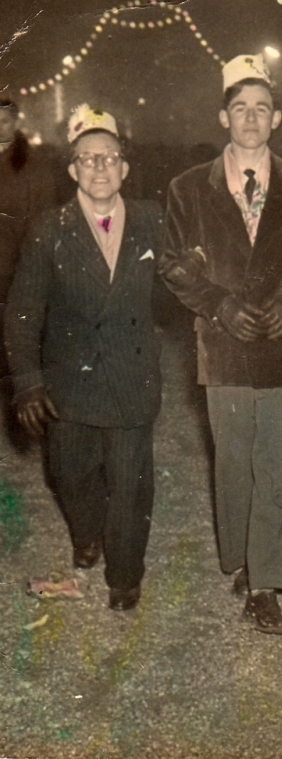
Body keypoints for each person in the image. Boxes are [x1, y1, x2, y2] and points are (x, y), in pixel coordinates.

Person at [160, 54, 282, 635]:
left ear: (277, 118)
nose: (251, 118)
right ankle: (242, 558)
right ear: (223, 117)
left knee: (276, 462)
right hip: (224, 346)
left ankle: (266, 586)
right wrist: (218, 304)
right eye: (240, 108)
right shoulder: (188, 188)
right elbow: (173, 265)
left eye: (262, 108)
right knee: (233, 460)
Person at [5, 104, 164, 611]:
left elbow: (182, 280)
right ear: (72, 170)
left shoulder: (152, 221)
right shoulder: (49, 229)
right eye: (88, 159)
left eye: (109, 157)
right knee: (69, 473)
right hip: (69, 382)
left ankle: (125, 574)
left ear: (125, 168)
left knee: (131, 482)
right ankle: (87, 531)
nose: (99, 167)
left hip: (131, 375)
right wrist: (28, 382)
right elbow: (23, 310)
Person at [0, 99, 57, 443]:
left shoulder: (33, 167)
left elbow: (44, 224)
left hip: (14, 275)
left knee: (14, 351)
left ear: (16, 122)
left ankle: (24, 426)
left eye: (4, 121)